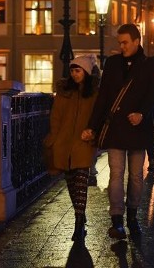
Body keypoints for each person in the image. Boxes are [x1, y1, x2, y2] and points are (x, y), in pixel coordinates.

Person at [84, 23, 154, 239]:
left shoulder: (150, 64)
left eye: (125, 42)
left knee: (136, 176)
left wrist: (142, 114)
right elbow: (104, 97)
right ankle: (117, 220)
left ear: (137, 41)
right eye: (120, 43)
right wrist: (92, 125)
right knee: (116, 175)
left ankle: (133, 217)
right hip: (117, 127)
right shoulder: (113, 63)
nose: (122, 46)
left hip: (138, 127)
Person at [43, 55, 99, 242]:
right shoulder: (65, 91)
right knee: (72, 184)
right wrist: (54, 137)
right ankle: (80, 217)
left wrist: (92, 132)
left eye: (78, 70)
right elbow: (56, 116)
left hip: (84, 142)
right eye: (72, 71)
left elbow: (99, 115)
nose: (74, 74)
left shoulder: (94, 93)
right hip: (64, 144)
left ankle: (78, 223)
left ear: (86, 72)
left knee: (81, 182)